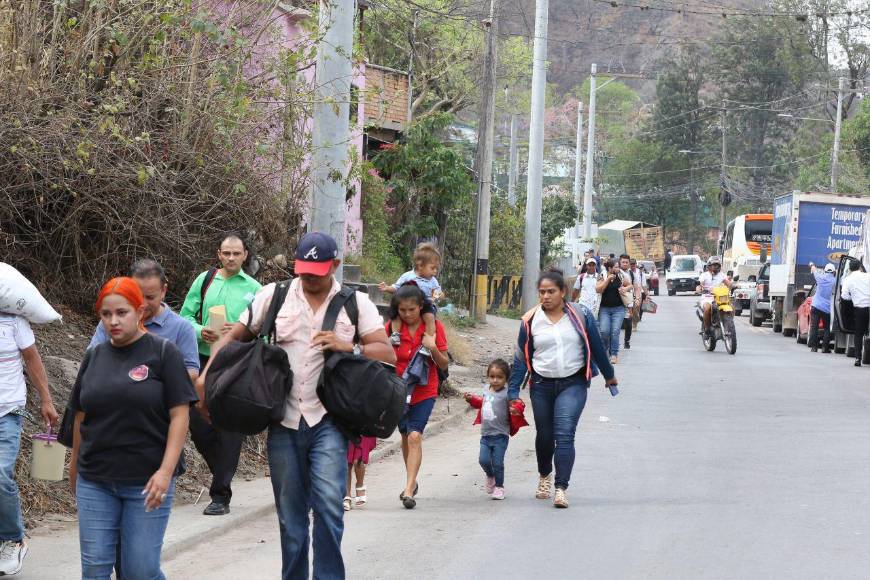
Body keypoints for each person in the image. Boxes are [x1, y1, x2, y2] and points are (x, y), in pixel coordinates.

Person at [203, 232, 394, 579]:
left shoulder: (356, 303)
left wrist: (348, 346)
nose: (309, 278)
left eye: (317, 272)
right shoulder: (273, 296)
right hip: (284, 421)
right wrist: (207, 375)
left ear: (335, 265)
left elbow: (386, 352)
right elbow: (236, 336)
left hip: (329, 422)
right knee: (290, 519)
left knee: (329, 510)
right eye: (303, 270)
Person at [70, 277, 197, 580]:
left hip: (147, 481)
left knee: (139, 570)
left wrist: (165, 472)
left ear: (139, 311)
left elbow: (180, 416)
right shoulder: (94, 356)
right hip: (96, 478)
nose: (113, 321)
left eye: (121, 313)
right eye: (106, 314)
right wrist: (74, 467)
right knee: (95, 569)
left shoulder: (163, 353)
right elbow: (80, 415)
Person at [507, 269, 617, 509]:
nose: (545, 296)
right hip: (541, 385)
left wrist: (609, 375)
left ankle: (561, 488)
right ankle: (544, 475)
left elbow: (597, 347)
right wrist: (513, 392)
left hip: (573, 384)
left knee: (565, 433)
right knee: (545, 436)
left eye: (551, 291)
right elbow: (520, 359)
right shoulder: (530, 320)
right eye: (542, 292)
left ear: (563, 292)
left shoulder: (580, 315)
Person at [180, 232, 261, 516]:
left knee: (230, 427)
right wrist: (200, 330)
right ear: (218, 254)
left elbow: (262, 328)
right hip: (203, 359)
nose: (231, 258)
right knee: (198, 424)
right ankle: (222, 473)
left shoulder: (255, 288)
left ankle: (220, 494)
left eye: (236, 253)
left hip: (236, 362)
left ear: (245, 255)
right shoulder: (205, 281)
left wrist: (240, 332)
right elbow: (185, 317)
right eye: (226, 253)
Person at [0, 313, 58, 576]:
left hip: (9, 410)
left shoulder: (13, 321)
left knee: (1, 474)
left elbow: (32, 359)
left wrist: (46, 400)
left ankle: (13, 540)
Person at [389, 284, 449, 509]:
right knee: (405, 436)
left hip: (424, 390)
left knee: (415, 435)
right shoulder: (393, 328)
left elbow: (444, 363)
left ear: (421, 307)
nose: (407, 314)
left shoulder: (434, 328)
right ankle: (411, 481)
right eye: (402, 310)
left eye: (412, 310)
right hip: (398, 391)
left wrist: (432, 347)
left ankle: (408, 489)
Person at [379, 243, 444, 354]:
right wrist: (387, 288)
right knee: (396, 314)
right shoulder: (408, 276)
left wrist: (436, 297)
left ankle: (428, 343)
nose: (435, 272)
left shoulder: (433, 281)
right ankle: (395, 336)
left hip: (426, 305)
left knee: (430, 318)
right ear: (420, 266)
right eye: (432, 268)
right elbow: (397, 287)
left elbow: (438, 293)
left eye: (436, 269)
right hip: (407, 305)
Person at [463, 359, 513, 500]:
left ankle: (499, 487)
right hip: (485, 435)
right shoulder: (486, 389)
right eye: (492, 376)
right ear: (488, 376)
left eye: (499, 377)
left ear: (506, 379)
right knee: (483, 460)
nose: (495, 380)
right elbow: (482, 403)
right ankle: (490, 475)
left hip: (501, 435)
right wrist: (472, 399)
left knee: (498, 463)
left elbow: (517, 405)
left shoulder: (507, 394)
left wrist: (516, 409)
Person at [596, 259, 631, 364]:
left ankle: (614, 354)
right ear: (609, 268)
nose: (618, 269)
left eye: (618, 267)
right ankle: (606, 351)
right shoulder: (602, 276)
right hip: (604, 309)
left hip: (618, 309)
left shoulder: (620, 276)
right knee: (604, 332)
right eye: (616, 267)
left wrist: (625, 289)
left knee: (615, 332)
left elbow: (630, 285)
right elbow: (598, 289)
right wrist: (608, 280)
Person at [840, 260, 870, 367]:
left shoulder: (848, 279)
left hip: (860, 309)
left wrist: (853, 297)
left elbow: (844, 296)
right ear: (860, 267)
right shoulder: (868, 276)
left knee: (859, 334)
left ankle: (858, 358)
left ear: (849, 269)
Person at [696, 256, 732, 337]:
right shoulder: (704, 275)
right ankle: (707, 330)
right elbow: (700, 285)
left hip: (720, 297)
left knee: (731, 307)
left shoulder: (722, 275)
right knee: (707, 308)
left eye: (717, 265)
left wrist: (734, 286)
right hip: (707, 297)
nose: (716, 266)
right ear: (709, 266)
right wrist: (699, 289)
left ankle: (727, 323)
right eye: (714, 265)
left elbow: (728, 284)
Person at [808, 262, 836, 353]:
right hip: (826, 309)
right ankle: (825, 348)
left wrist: (812, 265)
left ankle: (814, 347)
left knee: (814, 327)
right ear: (834, 272)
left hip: (816, 306)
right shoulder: (834, 281)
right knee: (827, 328)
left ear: (825, 270)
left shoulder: (820, 277)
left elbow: (814, 270)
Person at [345, 436, 377, 511]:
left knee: (358, 460)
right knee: (346, 462)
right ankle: (346, 496)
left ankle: (360, 484)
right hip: (346, 429)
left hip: (363, 430)